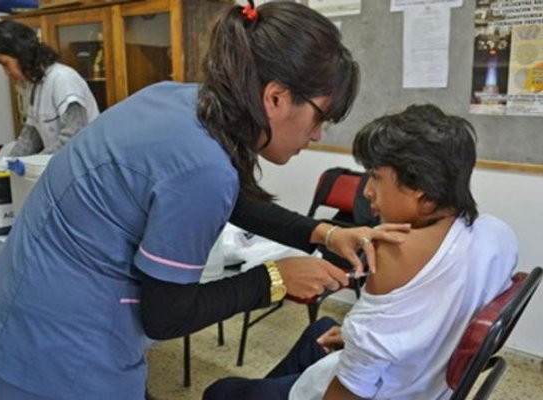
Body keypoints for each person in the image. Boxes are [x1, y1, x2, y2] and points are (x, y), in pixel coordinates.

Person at [0, 2, 407, 399]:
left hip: (20, 316)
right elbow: (166, 316)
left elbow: (231, 197)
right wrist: (275, 278)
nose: (317, 135)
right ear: (276, 98)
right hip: (57, 358)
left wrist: (325, 233)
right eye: (321, 117)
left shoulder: (179, 101)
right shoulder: (203, 165)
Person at [203, 104, 519, 400]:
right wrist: (363, 339)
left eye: (377, 178)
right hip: (427, 382)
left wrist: (366, 344)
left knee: (222, 391)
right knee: (320, 331)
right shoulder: (497, 234)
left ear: (418, 187)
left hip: (383, 391)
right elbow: (438, 312)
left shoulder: (392, 252)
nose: (367, 191)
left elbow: (350, 391)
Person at [0, 20, 99, 156]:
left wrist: (34, 164)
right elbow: (30, 137)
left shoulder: (63, 79)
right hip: (59, 165)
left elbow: (73, 138)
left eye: (5, 64)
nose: (6, 73)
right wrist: (8, 164)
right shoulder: (36, 85)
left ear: (21, 54)